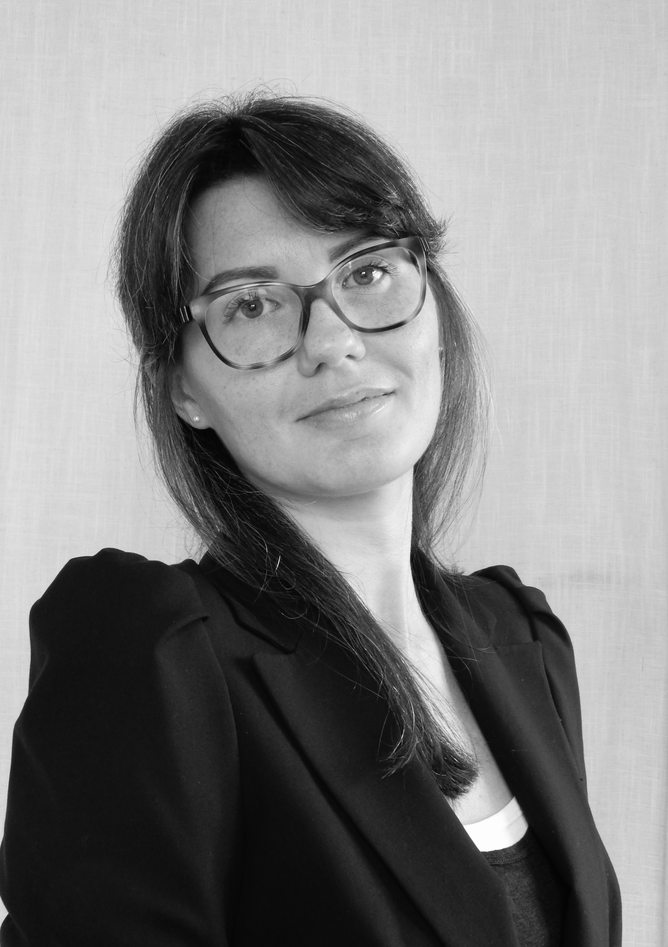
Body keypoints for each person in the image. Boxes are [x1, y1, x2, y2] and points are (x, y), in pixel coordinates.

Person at [0, 93, 620, 946]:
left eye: (366, 271)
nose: (332, 341)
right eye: (252, 304)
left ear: (434, 307)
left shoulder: (524, 641)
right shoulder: (152, 654)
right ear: (183, 387)